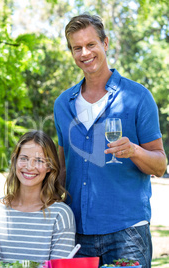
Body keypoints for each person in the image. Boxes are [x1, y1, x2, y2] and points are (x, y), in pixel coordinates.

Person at [54, 14, 167, 268]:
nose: (85, 53)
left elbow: (160, 165)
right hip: (76, 233)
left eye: (91, 44)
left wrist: (134, 151)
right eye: (77, 47)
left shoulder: (138, 97)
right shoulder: (62, 104)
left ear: (105, 43)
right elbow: (62, 168)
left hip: (126, 232)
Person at [0, 131, 75, 263]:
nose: (29, 167)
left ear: (49, 167)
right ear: (15, 161)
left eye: (39, 160)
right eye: (24, 158)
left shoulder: (61, 215)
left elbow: (60, 266)